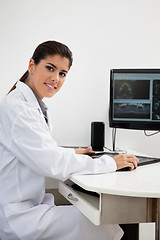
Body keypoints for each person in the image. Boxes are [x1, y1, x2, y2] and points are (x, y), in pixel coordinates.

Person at [0, 40, 139, 240]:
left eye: (62, 73)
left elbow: (42, 152)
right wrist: (109, 162)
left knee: (98, 218)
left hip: (26, 208)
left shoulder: (30, 105)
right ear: (32, 66)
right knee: (98, 223)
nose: (55, 78)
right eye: (50, 68)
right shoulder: (18, 109)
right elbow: (51, 163)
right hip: (17, 217)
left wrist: (72, 153)